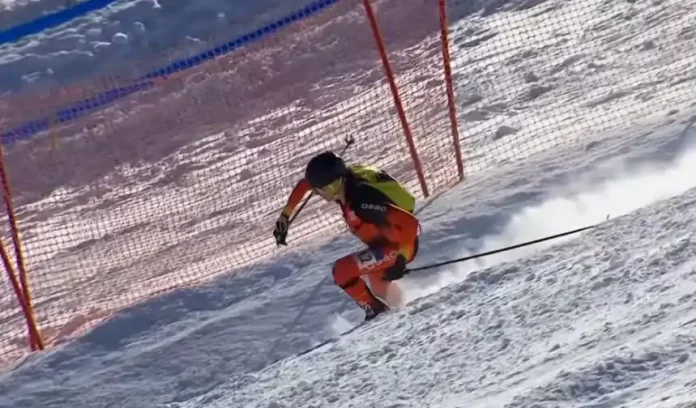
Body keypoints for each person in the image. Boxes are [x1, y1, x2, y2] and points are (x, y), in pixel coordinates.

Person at [273, 151, 421, 321]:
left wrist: (401, 259)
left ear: (333, 185)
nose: (317, 194)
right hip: (384, 247)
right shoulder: (342, 185)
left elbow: (410, 223)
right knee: (380, 288)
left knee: (343, 270)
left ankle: (376, 312)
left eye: (319, 190)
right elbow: (304, 185)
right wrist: (285, 216)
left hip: (400, 247)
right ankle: (400, 315)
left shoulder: (361, 201)